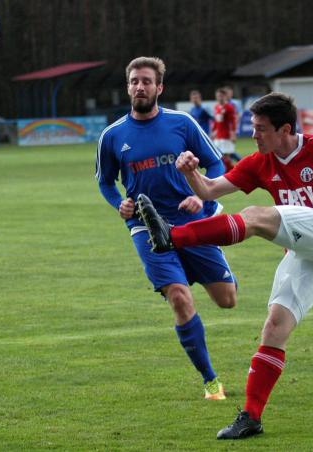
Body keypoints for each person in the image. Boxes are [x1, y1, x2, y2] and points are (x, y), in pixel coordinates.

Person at [136, 92, 313, 439]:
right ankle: (251, 417)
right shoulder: (260, 161)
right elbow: (211, 189)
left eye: (260, 129)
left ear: (284, 128)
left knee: (257, 217)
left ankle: (173, 237)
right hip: (306, 252)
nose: (254, 135)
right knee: (275, 325)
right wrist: (190, 173)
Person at [95, 56, 238, 401]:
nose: (139, 87)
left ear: (159, 87)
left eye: (146, 81)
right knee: (178, 297)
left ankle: (199, 269)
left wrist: (200, 197)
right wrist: (120, 205)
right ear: (127, 86)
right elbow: (105, 182)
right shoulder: (112, 135)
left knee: (227, 300)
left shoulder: (182, 123)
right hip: (147, 227)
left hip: (192, 220)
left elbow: (217, 161)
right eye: (134, 81)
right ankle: (210, 381)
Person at [212, 87, 238, 171]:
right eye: (218, 96)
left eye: (221, 96)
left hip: (226, 136)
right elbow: (216, 121)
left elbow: (233, 121)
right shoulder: (216, 107)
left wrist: (233, 134)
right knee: (219, 156)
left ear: (225, 96)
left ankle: (232, 173)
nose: (219, 98)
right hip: (218, 136)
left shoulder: (229, 107)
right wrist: (213, 132)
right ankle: (228, 173)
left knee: (226, 157)